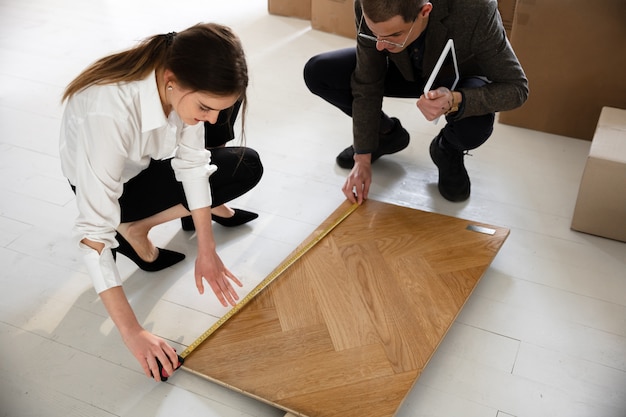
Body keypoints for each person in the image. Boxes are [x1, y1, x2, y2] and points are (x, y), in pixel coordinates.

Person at [59, 23, 263, 382]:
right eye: (204, 107)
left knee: (237, 158)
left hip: (142, 160)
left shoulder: (177, 84)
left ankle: (184, 215)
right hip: (117, 189)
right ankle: (134, 228)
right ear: (171, 80)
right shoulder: (108, 113)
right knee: (236, 165)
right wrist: (133, 333)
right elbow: (93, 239)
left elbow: (194, 163)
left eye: (216, 111)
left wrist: (207, 247)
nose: (213, 119)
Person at [304, 0, 528, 203]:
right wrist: (362, 156)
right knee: (319, 72)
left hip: (456, 77)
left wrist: (455, 100)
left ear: (425, 11)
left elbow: (516, 88)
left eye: (394, 34)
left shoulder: (476, 8)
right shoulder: (368, 5)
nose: (380, 45)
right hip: (404, 68)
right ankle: (385, 136)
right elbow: (367, 82)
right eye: (375, 34)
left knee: (475, 125)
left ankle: (447, 150)